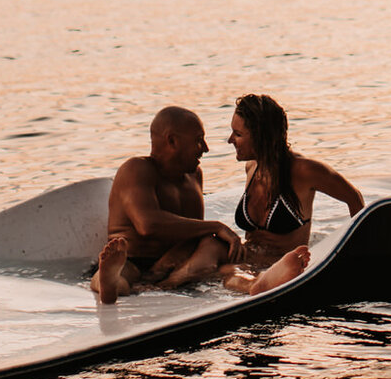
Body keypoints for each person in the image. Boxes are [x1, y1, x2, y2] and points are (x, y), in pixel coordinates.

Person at [89, 106, 242, 304]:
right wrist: (217, 226)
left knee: (213, 243)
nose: (205, 148)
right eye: (198, 140)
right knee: (121, 274)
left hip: (174, 264)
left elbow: (192, 231)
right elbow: (147, 225)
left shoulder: (195, 176)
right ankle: (109, 283)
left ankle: (168, 281)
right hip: (133, 259)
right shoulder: (136, 169)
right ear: (172, 141)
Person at [220, 92, 360, 295]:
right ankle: (256, 283)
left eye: (238, 134)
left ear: (261, 137)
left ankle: (262, 281)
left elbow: (354, 198)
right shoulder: (252, 167)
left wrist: (352, 254)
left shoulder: (305, 170)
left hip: (288, 263)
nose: (230, 140)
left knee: (227, 271)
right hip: (253, 261)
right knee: (223, 264)